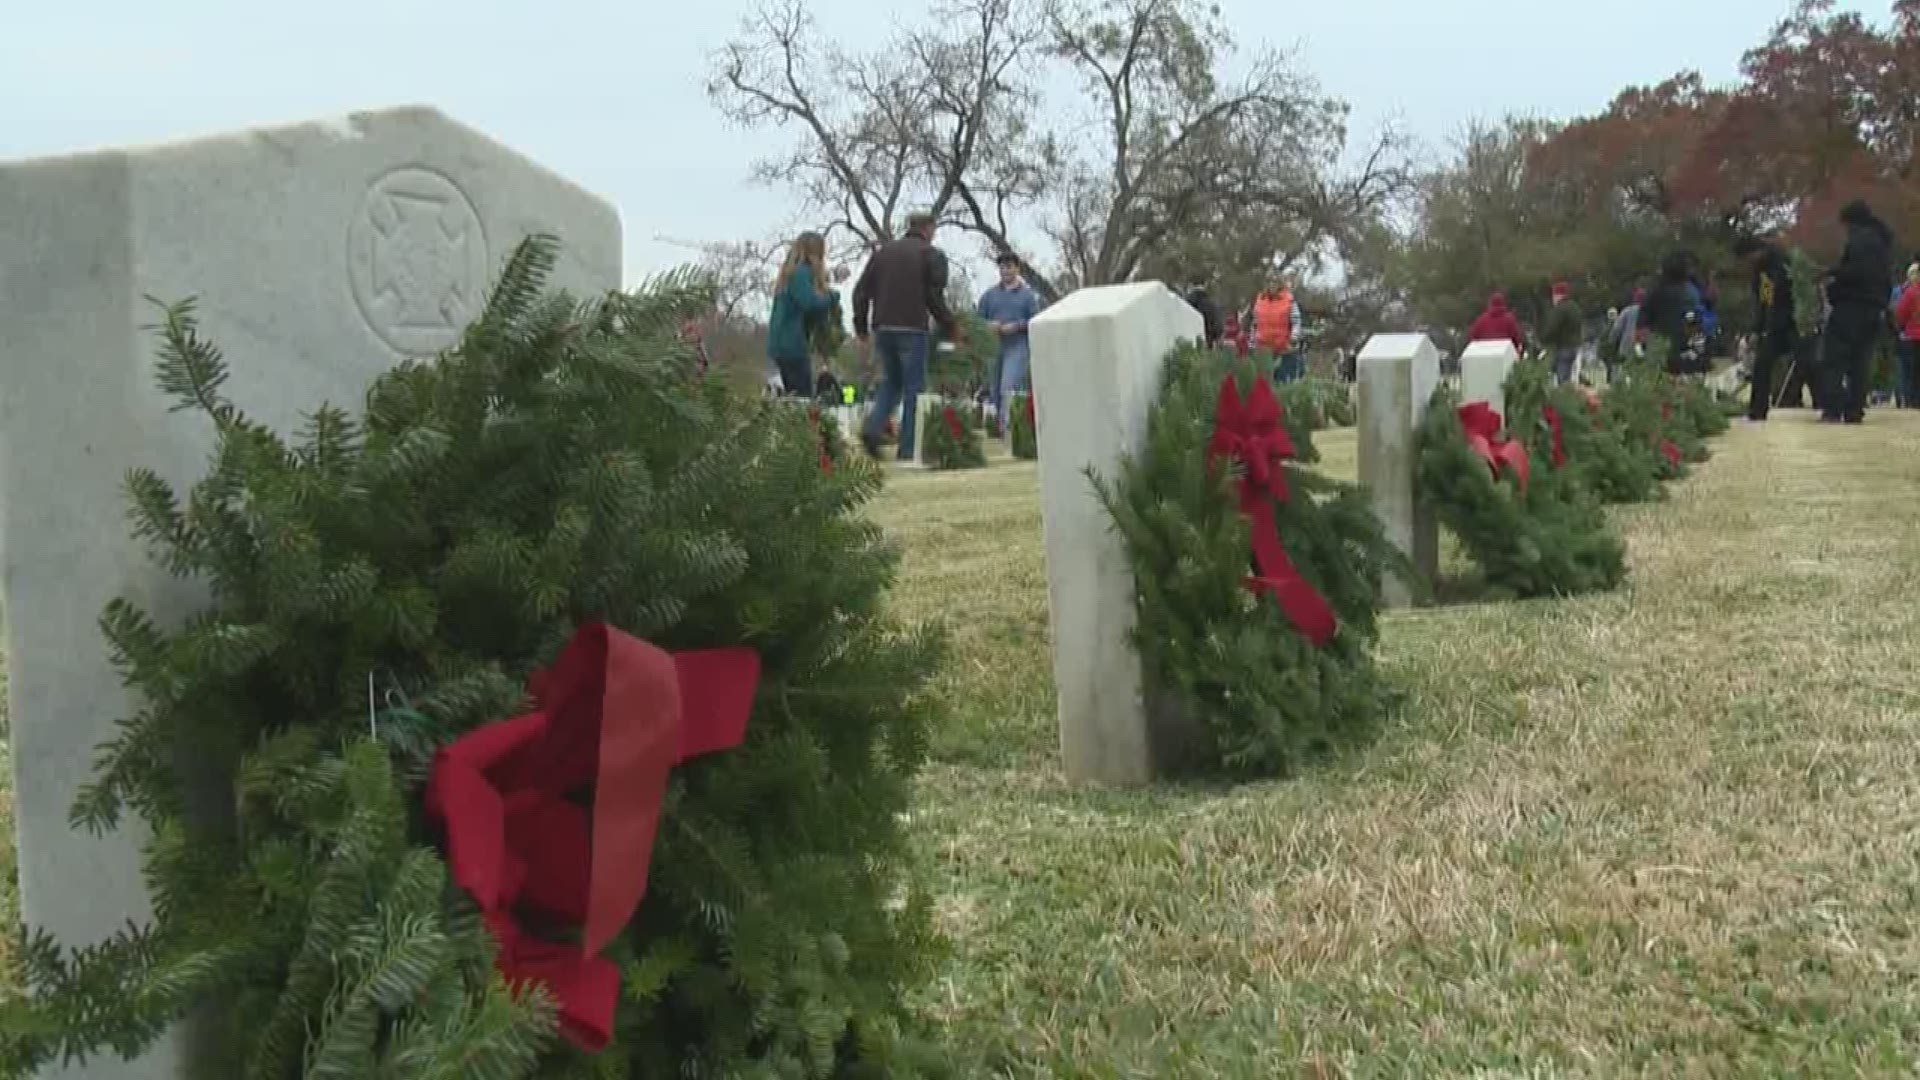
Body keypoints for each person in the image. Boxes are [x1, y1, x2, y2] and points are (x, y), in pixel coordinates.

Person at [853, 212, 961, 459]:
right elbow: (934, 297)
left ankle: (872, 427)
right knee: (914, 388)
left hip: (883, 327)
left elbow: (860, 292)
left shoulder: (883, 253)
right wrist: (950, 326)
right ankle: (908, 447)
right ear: (929, 228)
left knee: (892, 383)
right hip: (913, 327)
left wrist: (861, 328)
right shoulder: (931, 254)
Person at [1821, 199, 1897, 423]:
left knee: (1834, 358)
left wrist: (1832, 277)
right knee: (1860, 361)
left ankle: (1834, 408)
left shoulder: (1860, 241)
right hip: (1874, 308)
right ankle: (1855, 409)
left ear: (1851, 222)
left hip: (1851, 306)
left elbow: (1856, 272)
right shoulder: (1882, 243)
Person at [765, 231, 839, 399]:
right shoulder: (801, 273)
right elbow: (810, 303)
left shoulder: (788, 275)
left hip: (781, 343)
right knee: (802, 397)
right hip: (792, 344)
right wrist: (832, 297)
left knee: (791, 396)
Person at [1734, 235, 1797, 420]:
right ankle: (1758, 410)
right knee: (1762, 364)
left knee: (1810, 363)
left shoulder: (1779, 264)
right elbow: (1763, 301)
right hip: (1772, 323)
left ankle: (1828, 403)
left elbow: (1779, 297)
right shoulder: (1761, 271)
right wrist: (1757, 328)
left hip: (1790, 320)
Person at [976, 252, 1044, 415]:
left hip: (1017, 346)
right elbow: (977, 321)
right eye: (1002, 267)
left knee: (1009, 386)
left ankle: (1008, 430)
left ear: (1017, 269)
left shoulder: (1028, 296)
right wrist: (988, 325)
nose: (1005, 271)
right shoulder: (989, 296)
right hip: (994, 346)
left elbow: (1036, 321)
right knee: (995, 389)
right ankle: (1001, 429)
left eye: (1009, 267)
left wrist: (1017, 325)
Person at [1638, 253, 1697, 373]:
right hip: (1681, 343)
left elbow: (1644, 316)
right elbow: (1693, 319)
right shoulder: (1690, 292)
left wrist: (1641, 342)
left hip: (1657, 342)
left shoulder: (1656, 290)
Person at [1254, 277, 1304, 381]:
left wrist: (1293, 338)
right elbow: (1255, 323)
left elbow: (1296, 322)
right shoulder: (1260, 300)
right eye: (1269, 282)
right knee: (1263, 381)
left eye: (1275, 282)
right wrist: (1252, 342)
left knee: (1282, 379)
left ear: (1280, 284)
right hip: (1263, 348)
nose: (1272, 285)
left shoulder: (1289, 300)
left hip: (1284, 348)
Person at [1541, 281, 1583, 383]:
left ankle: (1564, 396)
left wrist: (1544, 339)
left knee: (1562, 379)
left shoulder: (1560, 309)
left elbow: (1552, 328)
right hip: (1576, 346)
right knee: (1573, 377)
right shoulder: (1575, 307)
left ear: (1557, 295)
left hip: (1564, 346)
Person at [1894, 262, 1920, 408]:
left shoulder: (1911, 292)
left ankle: (1912, 401)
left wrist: (1901, 327)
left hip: (1912, 337)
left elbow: (1901, 313)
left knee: (1911, 373)